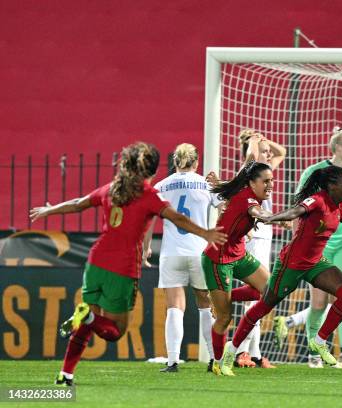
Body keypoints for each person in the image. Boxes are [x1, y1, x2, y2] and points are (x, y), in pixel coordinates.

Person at [29, 142, 227, 386]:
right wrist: (206, 232)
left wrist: (49, 211)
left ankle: (67, 374)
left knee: (171, 307)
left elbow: (79, 203)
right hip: (142, 264)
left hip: (101, 260)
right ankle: (213, 360)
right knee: (120, 329)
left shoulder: (118, 188)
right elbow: (180, 215)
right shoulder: (155, 193)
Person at [221, 166, 342, 376]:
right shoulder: (317, 200)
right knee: (264, 305)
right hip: (291, 264)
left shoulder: (340, 207)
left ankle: (319, 342)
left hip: (315, 263)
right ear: (331, 186)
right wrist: (273, 217)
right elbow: (296, 211)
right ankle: (232, 349)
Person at [274, 127, 342, 369]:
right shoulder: (313, 172)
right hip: (319, 244)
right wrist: (298, 236)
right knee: (318, 303)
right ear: (337, 148)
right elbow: (300, 204)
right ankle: (314, 354)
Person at [143, 143, 223, 373]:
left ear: (175, 162)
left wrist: (146, 248)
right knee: (205, 305)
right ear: (196, 162)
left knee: (174, 307)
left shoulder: (161, 186)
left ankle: (172, 362)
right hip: (199, 251)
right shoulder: (206, 184)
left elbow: (149, 220)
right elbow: (224, 208)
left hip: (172, 253)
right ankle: (213, 360)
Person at [202, 161, 274, 376]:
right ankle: (217, 361)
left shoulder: (246, 192)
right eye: (266, 181)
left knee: (270, 289)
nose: (270, 185)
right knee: (224, 318)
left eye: (272, 180)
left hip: (239, 254)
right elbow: (258, 213)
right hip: (218, 258)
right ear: (252, 183)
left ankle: (225, 297)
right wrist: (280, 218)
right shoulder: (250, 200)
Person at [234, 129, 286, 369]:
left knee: (261, 297)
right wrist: (254, 142)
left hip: (265, 236)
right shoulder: (247, 175)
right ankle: (241, 351)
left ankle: (253, 353)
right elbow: (252, 158)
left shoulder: (265, 174)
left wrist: (264, 141)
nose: (267, 154)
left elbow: (282, 152)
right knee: (255, 296)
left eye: (267, 152)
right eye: (262, 152)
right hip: (252, 237)